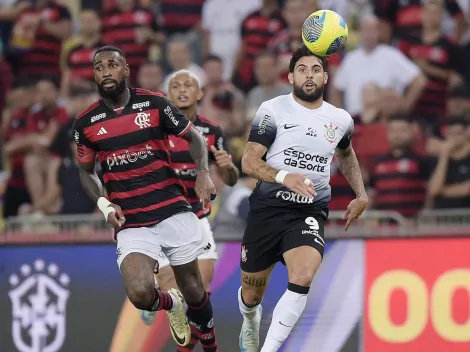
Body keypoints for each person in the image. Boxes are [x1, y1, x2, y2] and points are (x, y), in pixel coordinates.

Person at [72, 45, 219, 350]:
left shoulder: (154, 103)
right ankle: (170, 303)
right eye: (99, 68)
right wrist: (103, 203)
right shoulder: (86, 123)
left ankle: (211, 346)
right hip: (132, 220)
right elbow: (85, 172)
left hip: (170, 208)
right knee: (140, 294)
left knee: (194, 289)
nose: (106, 72)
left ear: (125, 70)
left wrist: (203, 172)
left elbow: (194, 138)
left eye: (112, 65)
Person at [238, 45, 369, 352]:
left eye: (315, 70)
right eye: (302, 70)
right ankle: (249, 318)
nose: (308, 76)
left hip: (308, 212)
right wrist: (286, 177)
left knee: (305, 273)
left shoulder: (340, 119)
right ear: (290, 76)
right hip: (267, 210)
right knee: (252, 294)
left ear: (325, 77)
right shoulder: (272, 110)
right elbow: (248, 162)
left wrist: (361, 194)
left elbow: (346, 155)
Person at [140, 69, 239, 350]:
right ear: (167, 95)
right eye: (175, 86)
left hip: (197, 220)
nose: (182, 90)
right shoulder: (154, 131)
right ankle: (153, 294)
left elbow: (230, 179)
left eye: (188, 85)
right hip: (162, 221)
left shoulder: (211, 132)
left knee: (200, 295)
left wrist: (228, 166)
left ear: (200, 94)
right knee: (178, 292)